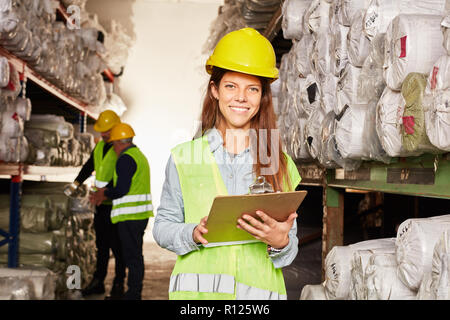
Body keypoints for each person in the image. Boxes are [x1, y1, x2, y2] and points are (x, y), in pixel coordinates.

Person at [153, 27, 302, 300]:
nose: (241, 97)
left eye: (252, 89)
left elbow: (289, 248)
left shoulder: (280, 164)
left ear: (263, 96)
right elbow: (162, 226)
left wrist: (280, 242)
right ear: (215, 90)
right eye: (231, 86)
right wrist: (192, 233)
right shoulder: (184, 158)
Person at [64, 110, 126, 300]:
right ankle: (98, 282)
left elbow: (123, 180)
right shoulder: (100, 147)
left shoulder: (123, 148)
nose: (103, 134)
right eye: (102, 131)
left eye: (107, 131)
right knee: (102, 245)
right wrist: (75, 184)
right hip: (101, 206)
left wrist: (105, 192)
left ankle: (118, 284)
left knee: (118, 247)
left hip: (116, 205)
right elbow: (89, 166)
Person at [90, 123, 152, 300]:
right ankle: (132, 293)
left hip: (130, 217)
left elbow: (121, 189)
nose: (113, 148)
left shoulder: (125, 159)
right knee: (134, 256)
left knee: (132, 258)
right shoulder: (137, 155)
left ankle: (133, 295)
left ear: (119, 142)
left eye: (114, 144)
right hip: (137, 216)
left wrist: (104, 193)